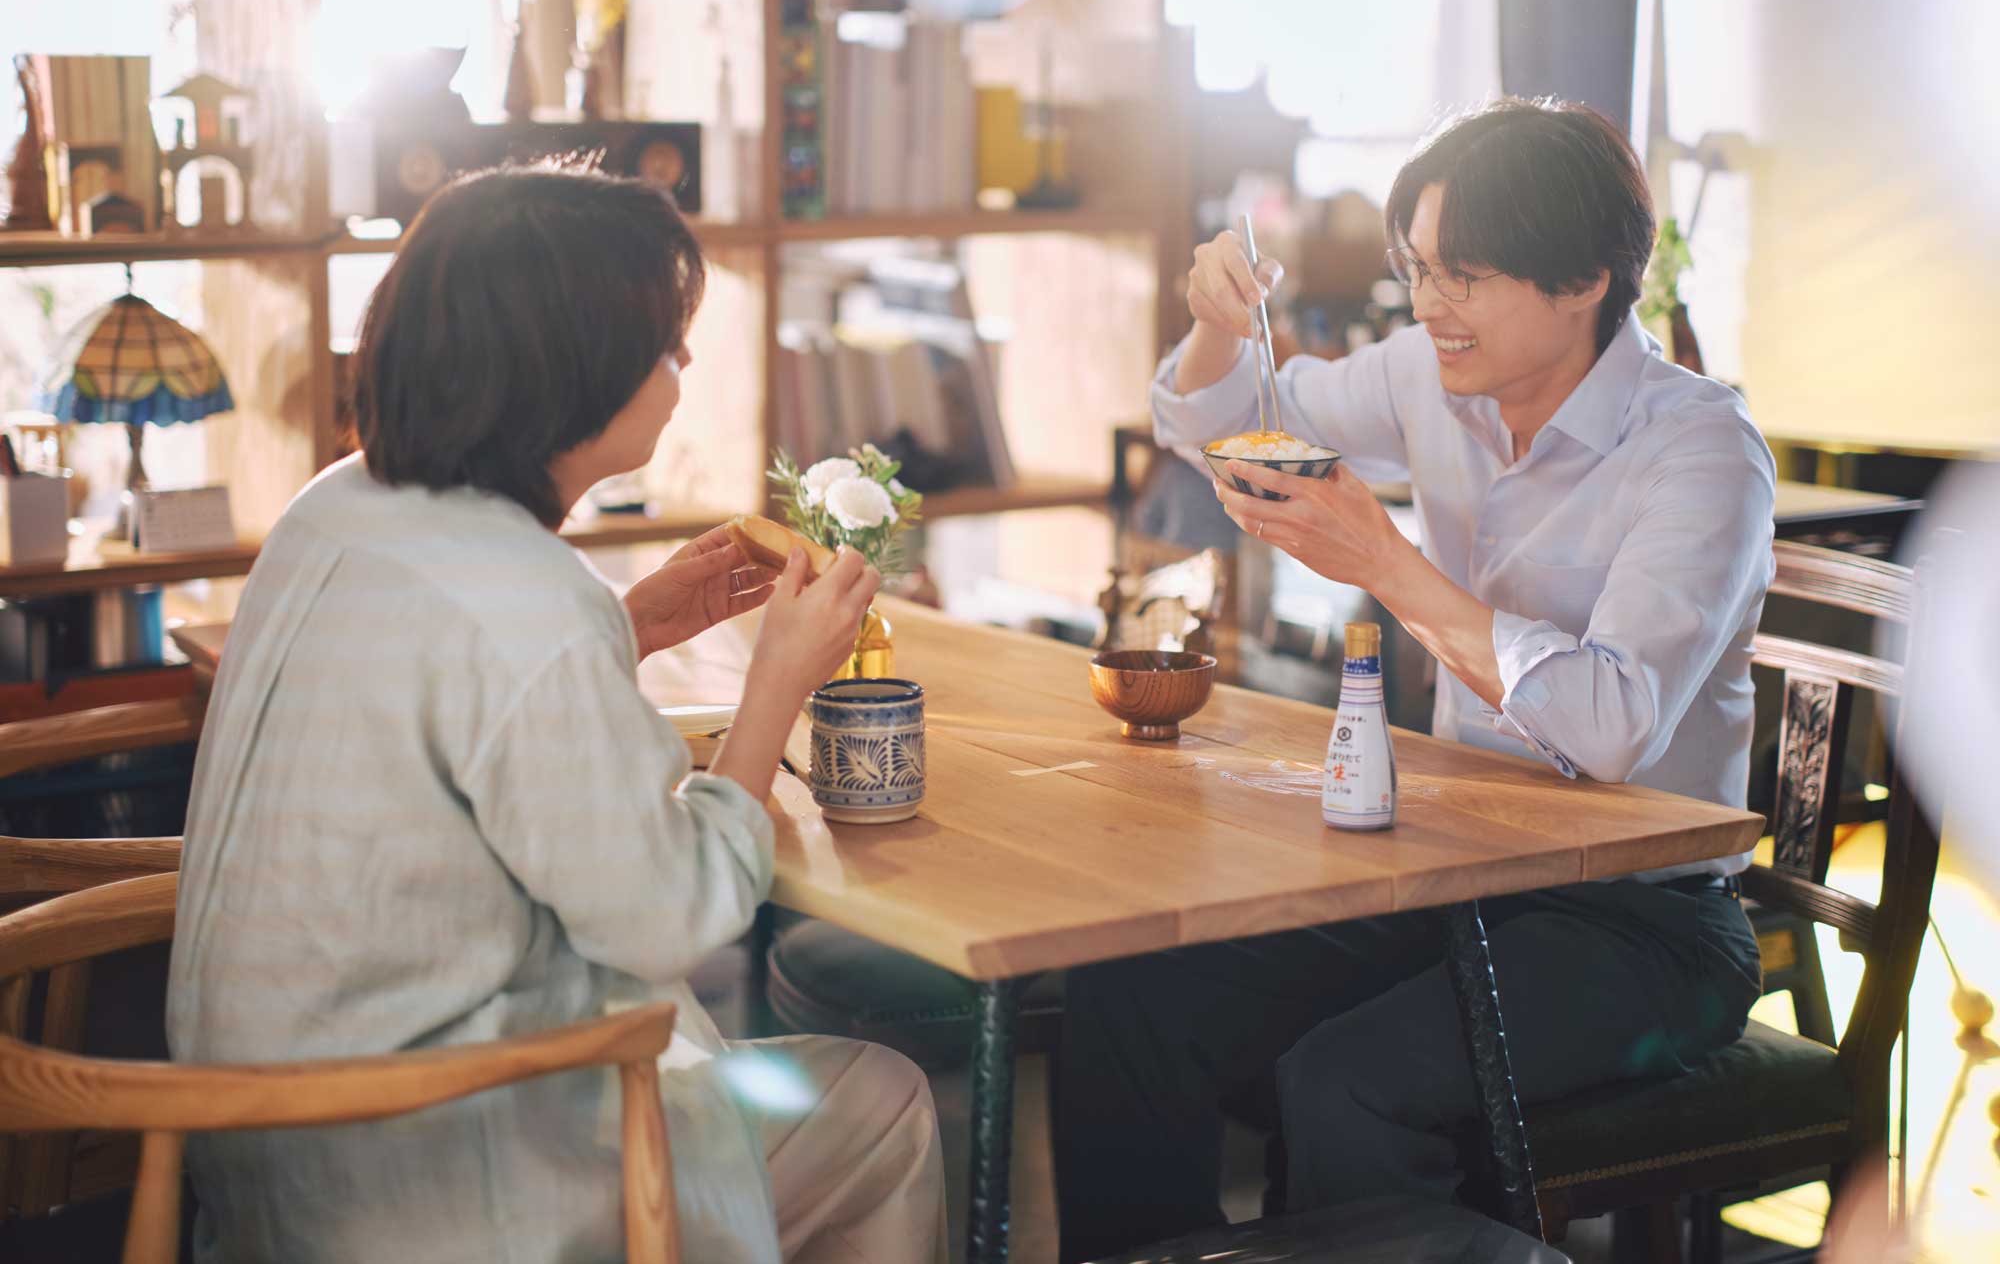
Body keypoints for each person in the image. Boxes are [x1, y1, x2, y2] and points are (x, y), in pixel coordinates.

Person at [168, 166, 947, 1264]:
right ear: (580, 368)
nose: (683, 371)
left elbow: (449, 700)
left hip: (259, 1143)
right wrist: (778, 683)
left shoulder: (337, 504)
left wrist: (634, 625)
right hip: (429, 1174)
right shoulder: (529, 594)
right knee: (884, 1101)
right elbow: (670, 915)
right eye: (667, 345)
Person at [1053, 98, 1772, 1260]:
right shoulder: (1429, 377)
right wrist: (1215, 327)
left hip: (1641, 923)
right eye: (1417, 270)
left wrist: (1384, 563)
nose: (1426, 305)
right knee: (1129, 993)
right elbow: (1218, 419)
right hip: (1453, 875)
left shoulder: (1698, 448)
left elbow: (1609, 727)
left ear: (1584, 280)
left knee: (1345, 1081)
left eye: (1461, 276)